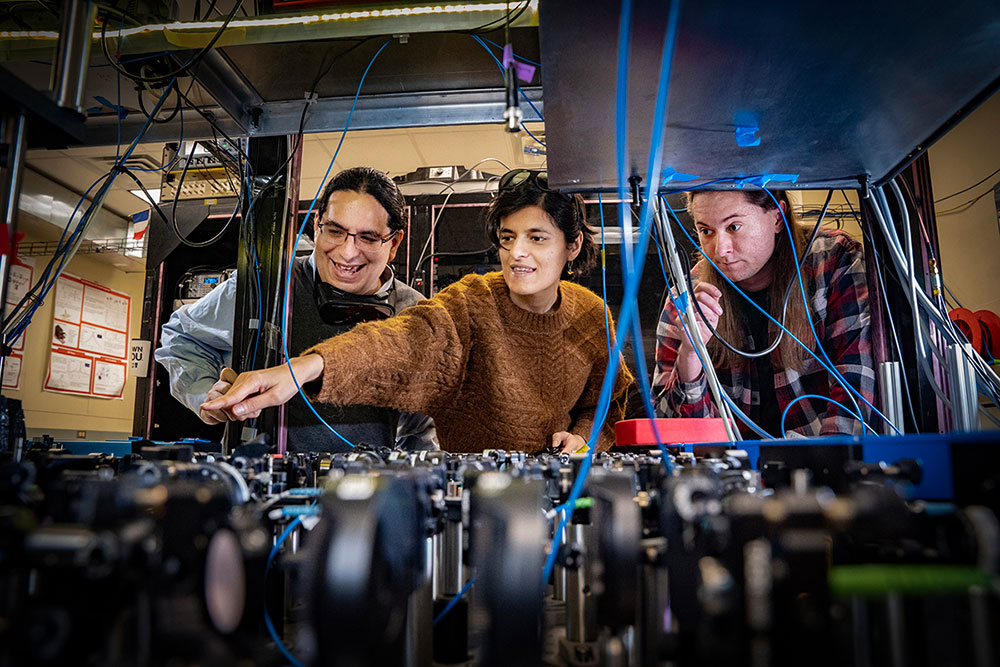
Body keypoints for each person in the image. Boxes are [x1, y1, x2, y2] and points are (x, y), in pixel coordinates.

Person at [202, 170, 633, 454]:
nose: (517, 253)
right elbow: (398, 343)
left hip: (558, 500)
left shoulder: (593, 316)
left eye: (537, 238)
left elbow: (607, 405)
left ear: (572, 245)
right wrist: (304, 368)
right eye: (507, 237)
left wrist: (583, 440)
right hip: (472, 502)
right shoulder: (471, 302)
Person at [154, 167, 437, 452]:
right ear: (316, 225)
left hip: (368, 486)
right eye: (335, 231)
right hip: (265, 483)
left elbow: (421, 427)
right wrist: (205, 392)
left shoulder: (413, 311)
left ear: (394, 243)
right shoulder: (269, 284)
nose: (348, 252)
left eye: (368, 237)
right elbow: (181, 338)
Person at [652, 189, 875, 437]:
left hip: (823, 464)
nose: (720, 249)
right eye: (706, 231)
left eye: (734, 227)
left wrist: (826, 465)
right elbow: (672, 435)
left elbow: (856, 388)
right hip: (730, 471)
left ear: (778, 217)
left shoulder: (833, 261)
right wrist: (690, 357)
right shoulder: (689, 298)